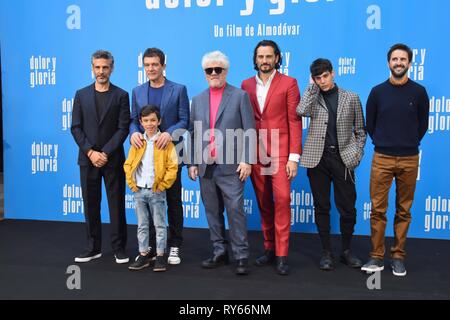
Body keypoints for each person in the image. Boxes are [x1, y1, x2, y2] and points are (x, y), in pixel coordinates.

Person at [361, 43, 430, 277]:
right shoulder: (377, 92)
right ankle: (376, 256)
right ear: (388, 63)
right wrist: (384, 141)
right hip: (382, 157)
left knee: (404, 210)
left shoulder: (419, 92)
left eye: (403, 59)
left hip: (410, 158)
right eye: (394, 59)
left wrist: (407, 143)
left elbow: (423, 125)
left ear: (410, 63)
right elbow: (370, 124)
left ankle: (398, 256)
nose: (398, 63)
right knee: (378, 210)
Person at [188, 50, 256, 275]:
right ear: (205, 73)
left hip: (232, 166)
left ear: (226, 71)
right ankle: (219, 252)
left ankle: (241, 255)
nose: (214, 73)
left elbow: (249, 130)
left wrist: (247, 160)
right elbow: (193, 133)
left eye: (219, 69)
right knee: (212, 211)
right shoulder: (197, 100)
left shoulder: (239, 96)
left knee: (235, 210)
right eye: (210, 70)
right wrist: (192, 163)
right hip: (206, 166)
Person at [296, 58, 366, 271]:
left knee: (347, 208)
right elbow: (301, 111)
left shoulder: (351, 97)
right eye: (318, 78)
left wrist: (357, 153)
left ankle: (346, 251)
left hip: (343, 158)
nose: (322, 81)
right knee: (322, 206)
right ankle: (326, 252)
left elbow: (361, 131)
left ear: (332, 73)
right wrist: (310, 87)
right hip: (317, 159)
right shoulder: (313, 96)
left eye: (325, 76)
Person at [241, 40, 302, 275]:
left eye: (269, 56)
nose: (264, 61)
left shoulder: (289, 83)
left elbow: (294, 121)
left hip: (280, 152)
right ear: (255, 59)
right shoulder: (246, 84)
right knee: (263, 201)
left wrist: (293, 157)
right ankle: (268, 248)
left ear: (277, 58)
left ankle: (282, 254)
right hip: (255, 153)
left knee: (283, 199)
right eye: (260, 57)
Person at [130, 48, 189, 265]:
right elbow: (133, 120)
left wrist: (169, 133)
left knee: (173, 201)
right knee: (148, 206)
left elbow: (185, 120)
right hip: (145, 159)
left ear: (163, 65)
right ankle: (152, 248)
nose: (151, 68)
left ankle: (174, 245)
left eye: (155, 64)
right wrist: (134, 132)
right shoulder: (137, 91)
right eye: (147, 65)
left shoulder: (179, 89)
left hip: (169, 156)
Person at [71, 50, 130, 264]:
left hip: (112, 159)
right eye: (97, 67)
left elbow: (123, 128)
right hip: (87, 160)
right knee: (91, 205)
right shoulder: (81, 94)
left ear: (112, 68)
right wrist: (90, 152)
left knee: (116, 204)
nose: (101, 71)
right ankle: (93, 247)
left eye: (105, 67)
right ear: (92, 68)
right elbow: (76, 127)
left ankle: (119, 248)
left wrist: (104, 153)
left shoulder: (121, 95)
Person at [124, 106, 178, 272]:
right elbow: (128, 164)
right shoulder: (138, 142)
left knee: (160, 224)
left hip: (157, 191)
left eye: (153, 120)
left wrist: (162, 186)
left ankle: (161, 255)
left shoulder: (165, 142)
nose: (149, 124)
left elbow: (172, 166)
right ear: (140, 122)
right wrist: (132, 184)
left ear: (159, 121)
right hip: (139, 190)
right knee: (142, 225)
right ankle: (143, 255)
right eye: (146, 121)